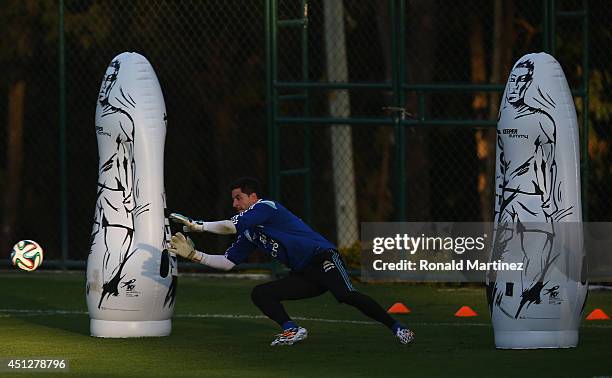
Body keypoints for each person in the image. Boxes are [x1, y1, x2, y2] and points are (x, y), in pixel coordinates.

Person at [167, 177, 414, 346]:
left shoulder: (266, 207)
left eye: (238, 198)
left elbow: (229, 226)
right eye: (233, 199)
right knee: (261, 293)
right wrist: (193, 256)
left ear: (253, 197)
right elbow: (228, 262)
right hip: (304, 272)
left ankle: (397, 327)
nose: (235, 204)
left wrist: (199, 226)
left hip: (322, 258)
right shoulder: (249, 231)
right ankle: (292, 329)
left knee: (345, 295)